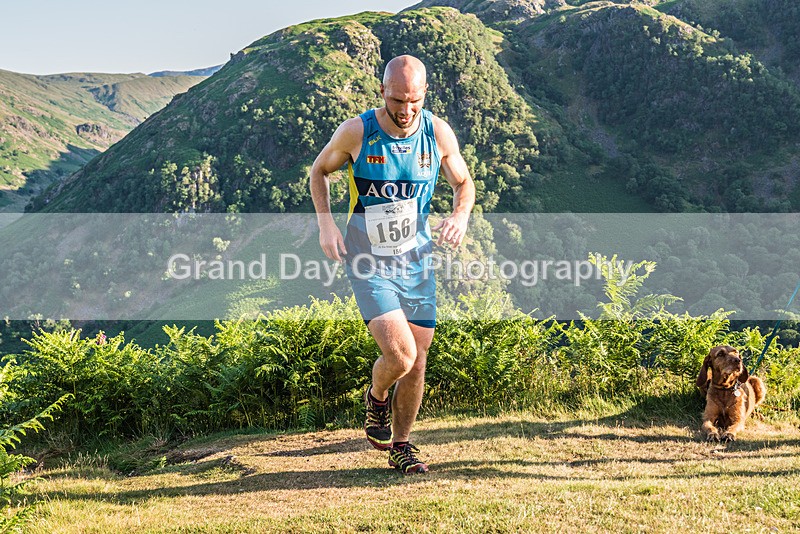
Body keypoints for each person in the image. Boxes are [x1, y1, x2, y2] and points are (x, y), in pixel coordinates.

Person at [310, 55, 475, 474]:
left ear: (425, 94)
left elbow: (463, 182)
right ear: (382, 91)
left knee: (418, 360)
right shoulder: (357, 132)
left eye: (415, 100)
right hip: (368, 260)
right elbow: (319, 171)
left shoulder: (437, 133)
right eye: (398, 100)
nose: (406, 109)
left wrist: (460, 216)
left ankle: (401, 445)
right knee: (400, 357)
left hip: (417, 261)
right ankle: (377, 396)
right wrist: (326, 224)